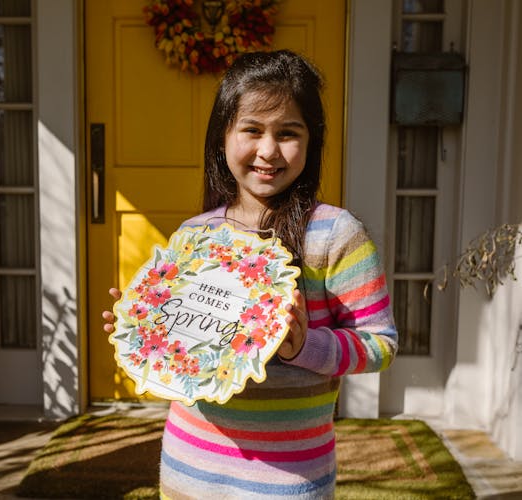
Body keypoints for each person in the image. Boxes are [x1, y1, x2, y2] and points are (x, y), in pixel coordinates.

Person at [102, 49, 398, 499]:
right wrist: (141, 330)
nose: (267, 150)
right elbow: (184, 357)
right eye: (252, 130)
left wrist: (305, 345)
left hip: (287, 481)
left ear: (312, 141)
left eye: (288, 133)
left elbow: (380, 344)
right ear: (223, 137)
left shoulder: (335, 234)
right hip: (188, 469)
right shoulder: (195, 234)